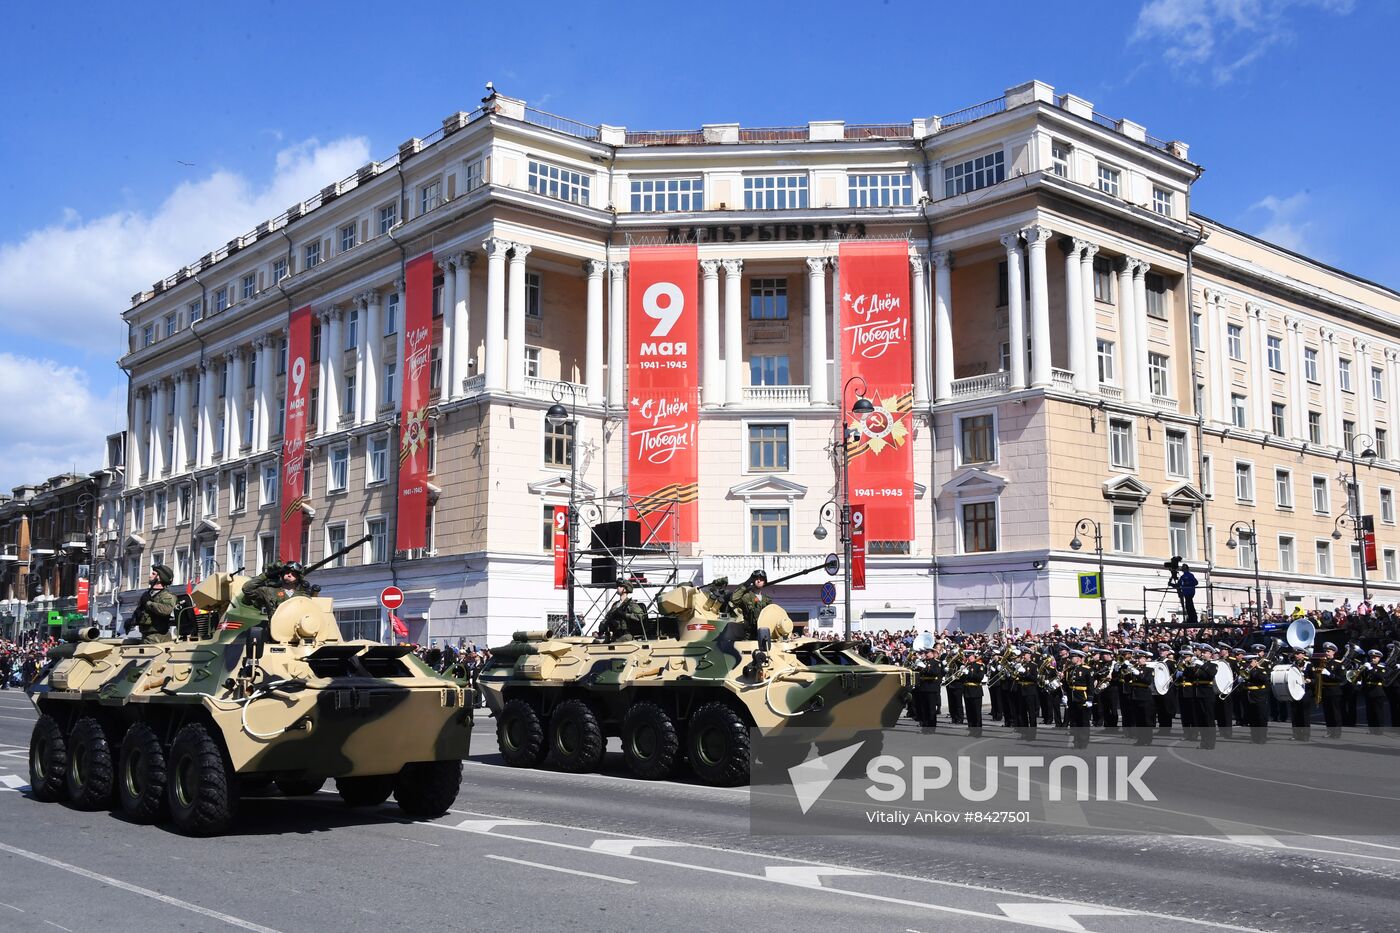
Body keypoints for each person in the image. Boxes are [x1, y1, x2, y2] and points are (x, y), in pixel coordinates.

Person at [129, 564, 179, 643]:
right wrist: (132, 621)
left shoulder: (167, 595)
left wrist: (148, 603)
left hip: (158, 637)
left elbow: (165, 610)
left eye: (153, 574)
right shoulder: (148, 594)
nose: (150, 576)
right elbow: (140, 612)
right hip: (146, 635)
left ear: (159, 577)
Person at [241, 561, 316, 614]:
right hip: (274, 629)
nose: (289, 575)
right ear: (282, 575)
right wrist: (266, 576)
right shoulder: (269, 591)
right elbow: (247, 589)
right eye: (287, 573)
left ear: (298, 578)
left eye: (293, 574)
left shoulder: (303, 596)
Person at [1063, 650, 1092, 748]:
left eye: (1072, 657)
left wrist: (1090, 699)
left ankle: (1083, 742)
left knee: (1083, 721)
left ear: (1078, 658)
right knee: (1074, 721)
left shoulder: (1087, 670)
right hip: (1072, 698)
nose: (1071, 659)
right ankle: (1076, 742)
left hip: (1082, 698)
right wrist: (1065, 695)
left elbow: (1090, 686)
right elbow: (1067, 684)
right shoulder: (1070, 670)